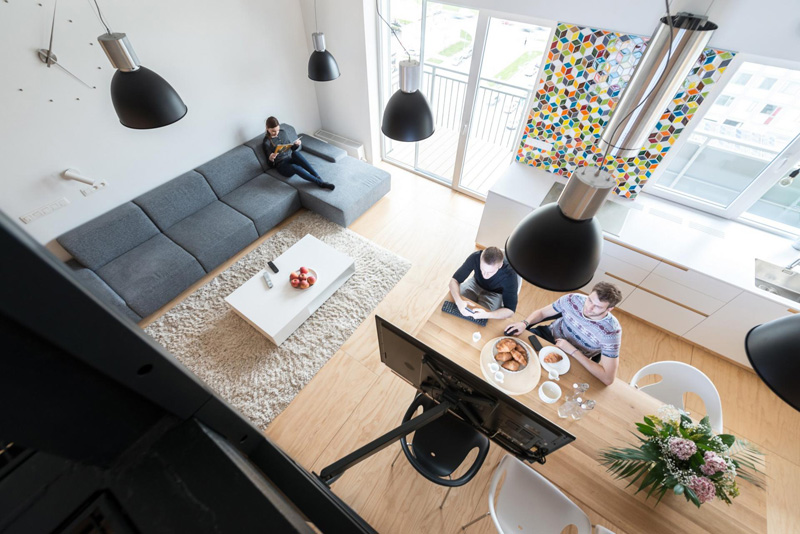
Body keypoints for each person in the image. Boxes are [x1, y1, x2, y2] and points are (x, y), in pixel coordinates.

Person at [505, 282, 623, 386]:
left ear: (609, 309)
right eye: (590, 300)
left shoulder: (611, 333)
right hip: (548, 335)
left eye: (597, 306)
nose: (589, 307)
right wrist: (525, 323)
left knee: (545, 382)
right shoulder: (573, 299)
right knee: (514, 355)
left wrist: (573, 351)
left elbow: (608, 379)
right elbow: (542, 313)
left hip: (574, 358)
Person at [262, 116, 335, 190]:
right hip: (282, 166)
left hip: (289, 158)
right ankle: (320, 183)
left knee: (296, 153)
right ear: (267, 128)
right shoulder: (266, 142)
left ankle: (317, 176)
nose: (276, 133)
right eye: (273, 131)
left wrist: (296, 145)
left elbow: (292, 148)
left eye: (277, 130)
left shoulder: (283, 132)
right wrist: (271, 158)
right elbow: (271, 165)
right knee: (294, 167)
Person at [449, 247, 519, 321]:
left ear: (500, 265)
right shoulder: (475, 257)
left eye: (490, 272)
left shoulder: (509, 274)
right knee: (455, 305)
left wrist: (488, 314)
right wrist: (458, 301)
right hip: (475, 283)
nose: (485, 275)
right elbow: (454, 280)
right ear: (480, 258)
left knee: (483, 320)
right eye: (482, 269)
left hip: (495, 293)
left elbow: (510, 311)